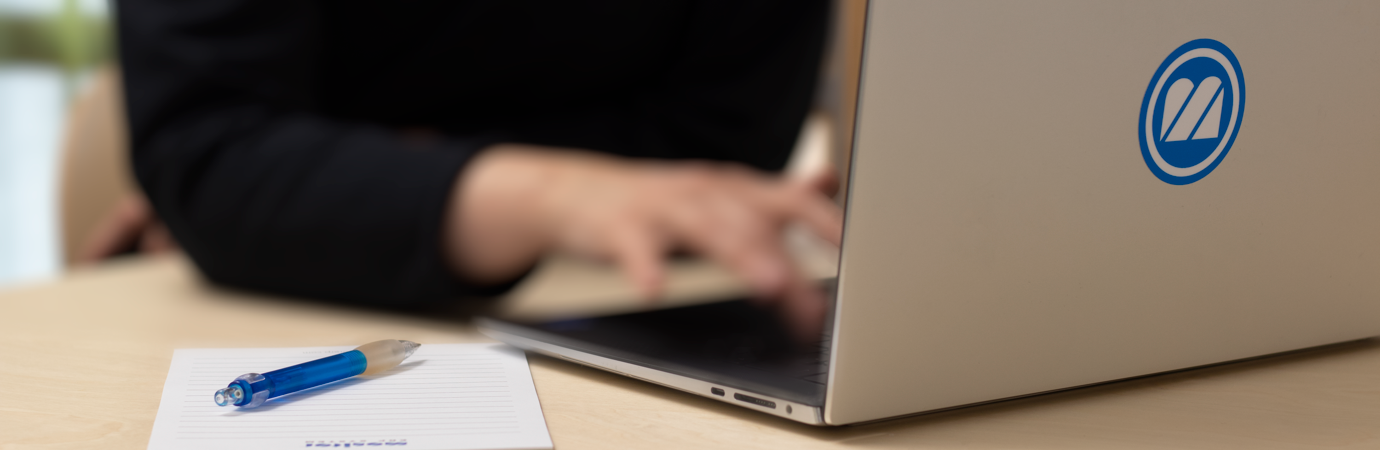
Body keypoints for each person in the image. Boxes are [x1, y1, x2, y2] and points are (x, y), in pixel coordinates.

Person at [114, 0, 840, 336]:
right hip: (270, 307)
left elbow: (722, 148)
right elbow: (213, 152)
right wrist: (545, 193)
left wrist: (364, 174)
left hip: (638, 299)